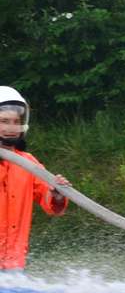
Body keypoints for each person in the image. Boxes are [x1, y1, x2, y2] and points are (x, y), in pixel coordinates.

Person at [0, 86, 71, 270]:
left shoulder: (28, 162)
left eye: (16, 122)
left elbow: (51, 206)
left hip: (14, 264)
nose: (11, 128)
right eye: (4, 121)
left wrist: (57, 195)